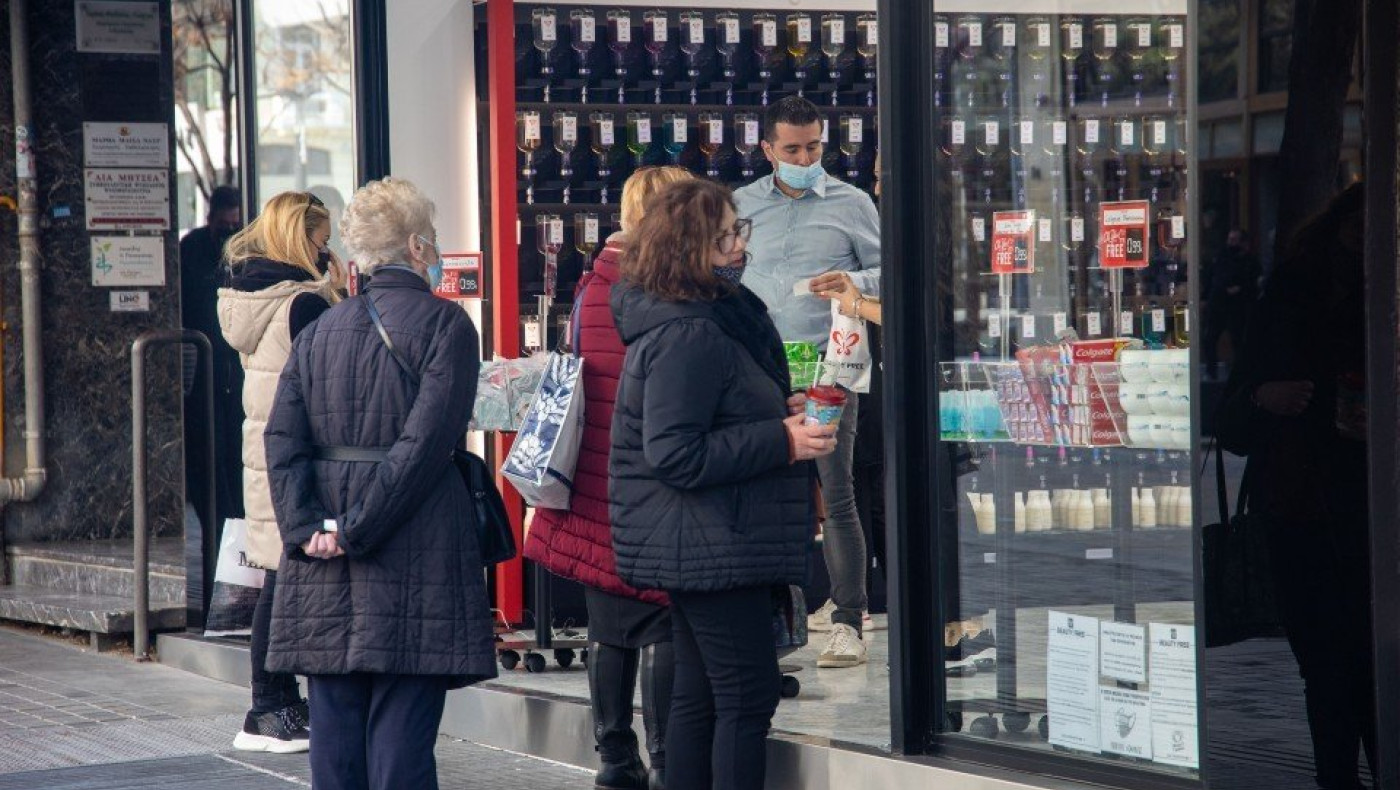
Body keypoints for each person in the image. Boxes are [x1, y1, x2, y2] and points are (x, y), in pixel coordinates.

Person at [263, 177, 497, 789]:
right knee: (403, 729)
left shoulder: (319, 331)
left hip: (322, 556)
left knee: (334, 726)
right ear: (418, 248)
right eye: (435, 239)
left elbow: (281, 439)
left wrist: (309, 527)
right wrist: (358, 530)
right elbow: (424, 449)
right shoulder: (448, 327)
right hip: (414, 546)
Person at [609, 179, 836, 790]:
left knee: (702, 694)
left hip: (711, 538)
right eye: (725, 238)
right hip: (713, 541)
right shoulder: (691, 331)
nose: (740, 248)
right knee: (745, 695)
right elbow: (675, 452)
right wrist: (782, 440)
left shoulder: (703, 318)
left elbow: (711, 413)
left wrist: (772, 411)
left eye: (740, 230)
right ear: (688, 251)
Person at [524, 166, 693, 790]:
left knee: (610, 621)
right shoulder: (666, 291)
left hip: (595, 476)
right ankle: (667, 756)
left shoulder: (596, 286)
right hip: (651, 475)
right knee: (663, 616)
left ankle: (615, 758)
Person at [734, 95, 881, 669]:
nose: (804, 156)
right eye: (792, 148)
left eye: (814, 146)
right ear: (767, 148)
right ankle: (773, 617)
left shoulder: (852, 202)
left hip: (828, 367)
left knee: (836, 491)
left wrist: (852, 278)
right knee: (763, 491)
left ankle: (849, 619)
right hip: (757, 369)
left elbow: (891, 270)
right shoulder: (741, 205)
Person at [1235, 183, 1374, 790]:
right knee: (1330, 664)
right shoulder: (1294, 294)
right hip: (1309, 509)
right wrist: (1267, 398)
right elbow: (1234, 416)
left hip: (1369, 509)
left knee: (1367, 665)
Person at [218, 191, 342, 753]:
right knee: (285, 578)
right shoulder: (304, 303)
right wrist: (337, 290)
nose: (327, 252)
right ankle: (270, 708)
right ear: (302, 241)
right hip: (294, 455)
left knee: (278, 573)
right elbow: (335, 370)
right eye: (321, 243)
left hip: (264, 448)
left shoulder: (255, 297)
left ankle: (271, 706)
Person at [180, 185, 245, 532]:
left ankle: (233, 525)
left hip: (234, 364)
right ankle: (218, 526)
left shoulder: (245, 252)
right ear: (211, 220)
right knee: (209, 450)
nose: (230, 233)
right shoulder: (192, 248)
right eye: (225, 225)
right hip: (204, 361)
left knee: (235, 451)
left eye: (235, 225)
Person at [1202, 228, 1261, 378]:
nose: (1231, 243)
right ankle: (1211, 372)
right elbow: (1212, 278)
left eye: (1235, 240)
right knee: (1210, 338)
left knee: (1238, 341)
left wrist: (1240, 288)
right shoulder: (1221, 257)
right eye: (1230, 240)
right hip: (1218, 305)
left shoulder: (1250, 261)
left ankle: (1239, 374)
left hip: (1238, 308)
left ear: (1243, 243)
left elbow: (1254, 283)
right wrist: (1206, 298)